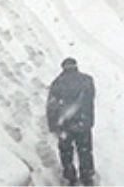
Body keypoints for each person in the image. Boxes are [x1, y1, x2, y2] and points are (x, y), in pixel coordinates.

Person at [47, 57, 95, 185]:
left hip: (65, 124)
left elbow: (52, 106)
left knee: (66, 151)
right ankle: (87, 176)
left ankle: (70, 176)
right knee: (85, 150)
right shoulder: (87, 80)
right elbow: (90, 99)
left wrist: (53, 125)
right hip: (83, 122)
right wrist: (89, 120)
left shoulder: (57, 83)